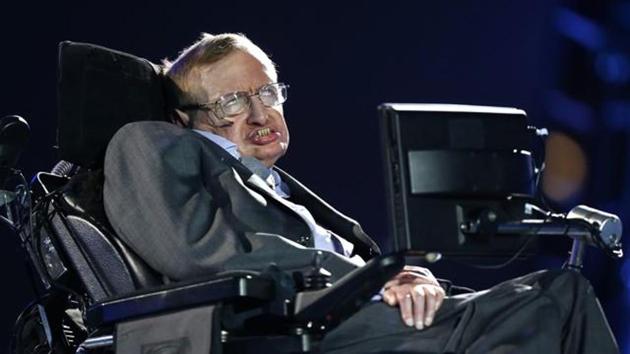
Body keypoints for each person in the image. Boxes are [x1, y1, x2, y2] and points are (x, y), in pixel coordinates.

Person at [103, 33, 619, 353]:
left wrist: (402, 272)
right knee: (555, 302)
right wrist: (377, 278)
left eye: (267, 92)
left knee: (554, 297)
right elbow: (202, 254)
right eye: (232, 102)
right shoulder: (148, 143)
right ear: (184, 119)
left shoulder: (278, 189)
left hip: (359, 313)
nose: (260, 115)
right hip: (295, 328)